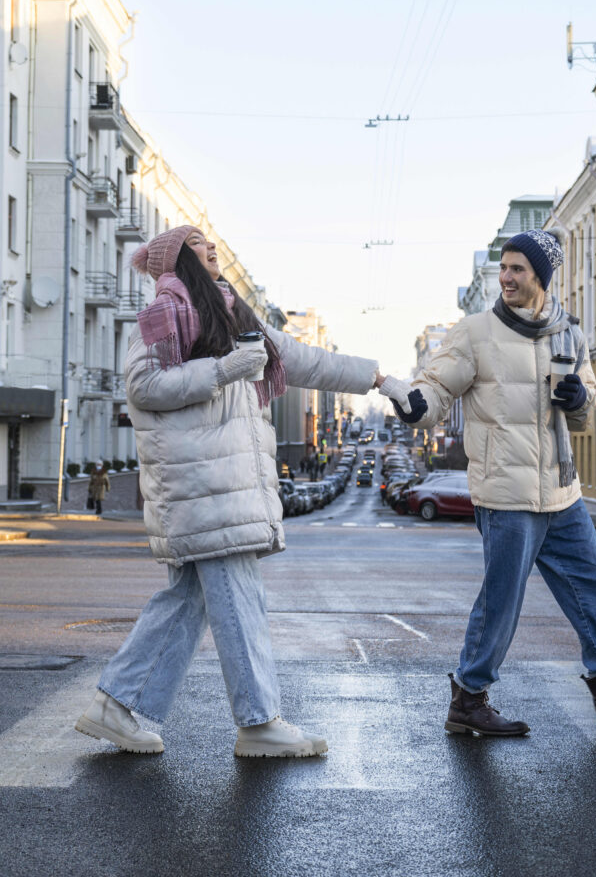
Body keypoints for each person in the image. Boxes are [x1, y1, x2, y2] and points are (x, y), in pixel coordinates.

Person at [74, 225, 408, 759]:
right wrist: (224, 369)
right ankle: (259, 722)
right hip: (202, 484)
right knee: (239, 597)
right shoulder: (165, 312)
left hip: (218, 485)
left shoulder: (235, 317)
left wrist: (381, 381)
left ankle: (115, 706)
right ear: (175, 260)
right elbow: (144, 386)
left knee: (186, 602)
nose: (210, 246)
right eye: (196, 242)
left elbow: (306, 359)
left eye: (209, 240)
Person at [389, 228, 596, 736]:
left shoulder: (570, 333)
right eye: (503, 267)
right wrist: (415, 405)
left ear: (541, 277)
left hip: (562, 491)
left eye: (517, 269)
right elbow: (435, 388)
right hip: (506, 492)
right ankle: (469, 698)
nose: (506, 277)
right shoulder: (475, 332)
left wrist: (580, 401)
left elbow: (585, 411)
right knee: (502, 601)